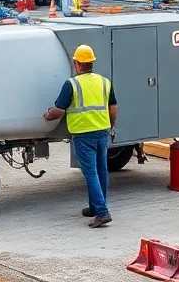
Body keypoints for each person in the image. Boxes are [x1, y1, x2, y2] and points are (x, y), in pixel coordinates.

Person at [43, 44, 116, 228]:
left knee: (90, 173)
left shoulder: (72, 84)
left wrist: (48, 114)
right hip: (102, 132)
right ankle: (95, 207)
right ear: (91, 63)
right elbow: (113, 107)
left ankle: (102, 212)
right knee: (101, 171)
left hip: (84, 135)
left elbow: (59, 110)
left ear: (77, 63)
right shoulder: (104, 82)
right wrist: (111, 125)